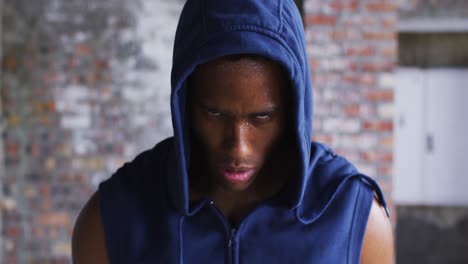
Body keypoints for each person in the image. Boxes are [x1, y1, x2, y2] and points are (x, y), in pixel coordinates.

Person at [72, 0, 394, 263]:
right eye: (214, 113)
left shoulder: (357, 221)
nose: (238, 148)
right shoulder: (110, 222)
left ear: (294, 108)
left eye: (262, 116)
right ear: (185, 102)